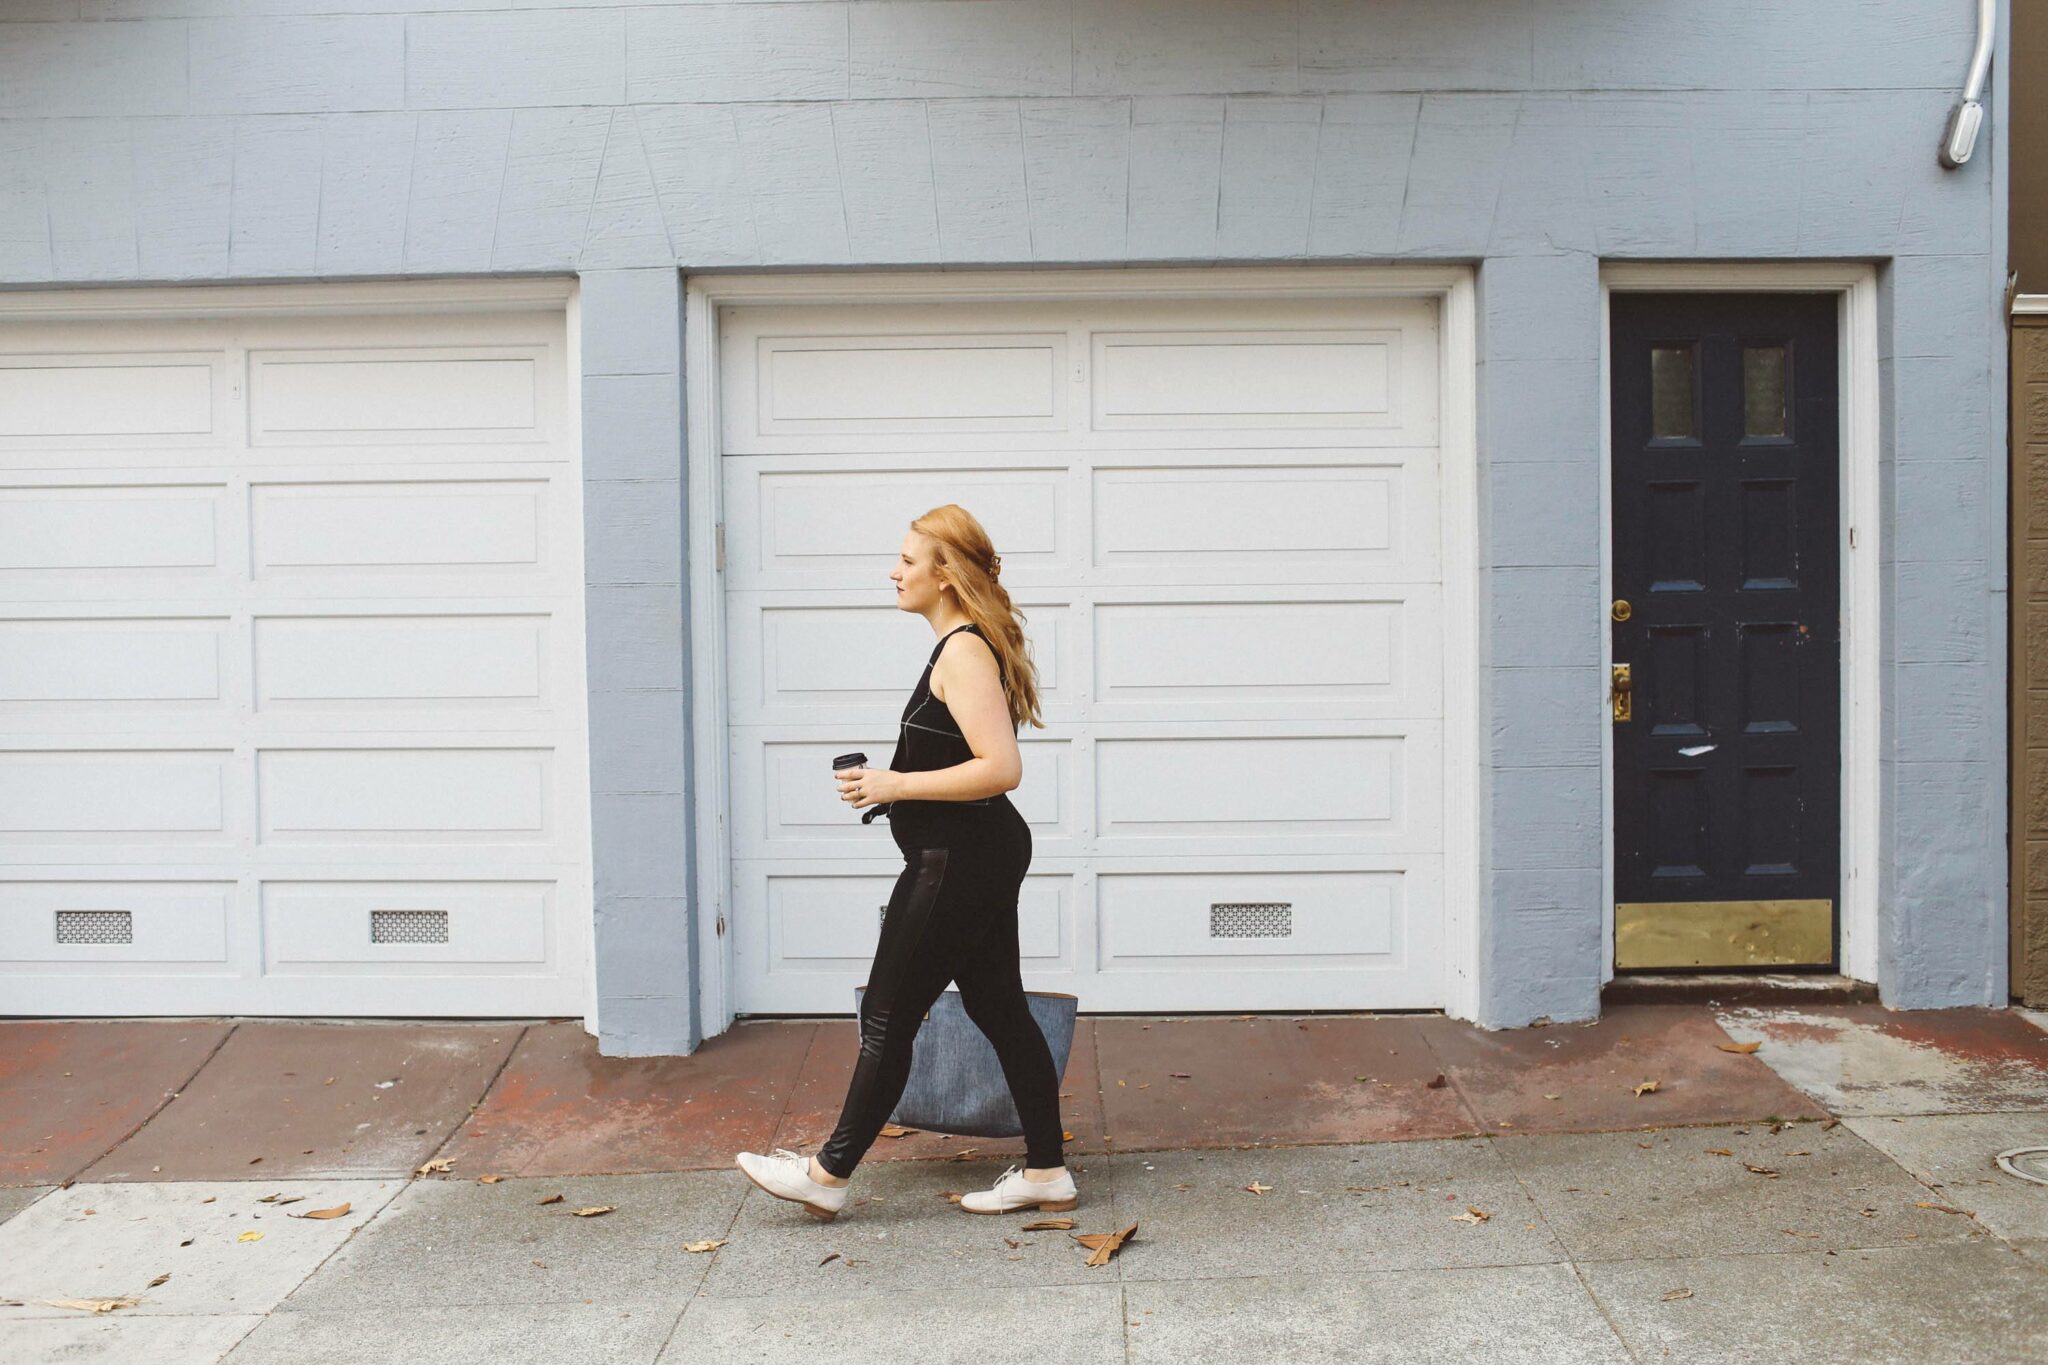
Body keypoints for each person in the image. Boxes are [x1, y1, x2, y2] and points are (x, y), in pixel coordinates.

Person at [735, 504, 1073, 1221]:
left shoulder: (964, 651)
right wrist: (891, 786)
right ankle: (1046, 1169)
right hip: (970, 851)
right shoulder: (955, 646)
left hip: (960, 860)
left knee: (888, 1014)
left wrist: (896, 784)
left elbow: (1001, 766)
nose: (894, 571)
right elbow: (965, 760)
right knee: (999, 1007)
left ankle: (827, 1176)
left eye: (908, 560)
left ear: (945, 574)